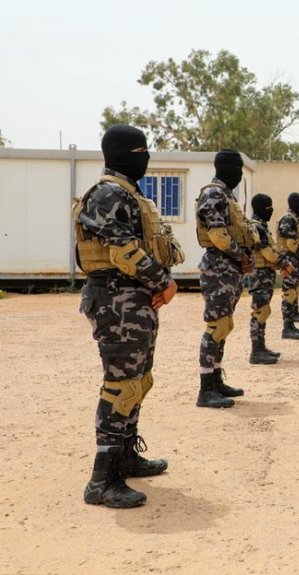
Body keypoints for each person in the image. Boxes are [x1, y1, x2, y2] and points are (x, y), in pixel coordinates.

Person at [76, 124, 183, 507]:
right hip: (115, 301)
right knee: (119, 387)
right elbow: (124, 252)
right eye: (142, 151)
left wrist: (157, 286)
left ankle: (126, 458)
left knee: (139, 381)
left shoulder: (128, 193)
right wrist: (164, 283)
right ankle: (102, 480)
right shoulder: (107, 194)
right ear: (125, 154)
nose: (146, 158)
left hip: (133, 301)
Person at [195, 149, 252, 408]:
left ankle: (216, 380)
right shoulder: (213, 194)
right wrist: (242, 256)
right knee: (216, 326)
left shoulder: (226, 196)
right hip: (218, 268)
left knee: (224, 325)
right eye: (237, 169)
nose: (239, 174)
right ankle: (205, 389)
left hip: (229, 269)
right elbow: (218, 237)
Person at [247, 193, 282, 365]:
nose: (271, 210)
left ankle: (261, 347)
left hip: (265, 274)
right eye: (268, 207)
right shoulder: (257, 227)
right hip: (260, 274)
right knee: (260, 311)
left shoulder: (262, 226)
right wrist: (284, 263)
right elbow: (268, 253)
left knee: (264, 310)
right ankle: (256, 351)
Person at [278, 193, 299, 340]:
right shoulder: (288, 219)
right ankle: (287, 327)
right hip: (289, 262)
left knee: (293, 292)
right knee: (288, 294)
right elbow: (291, 244)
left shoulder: (294, 220)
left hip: (295, 261)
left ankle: (291, 324)